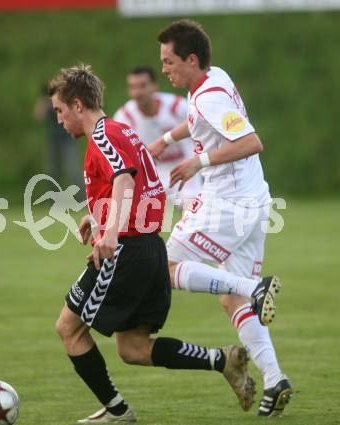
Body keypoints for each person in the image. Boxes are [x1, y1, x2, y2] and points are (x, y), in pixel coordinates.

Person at [49, 64, 255, 423]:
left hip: (125, 252)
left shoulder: (103, 135)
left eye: (59, 111)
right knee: (133, 348)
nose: (58, 119)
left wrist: (109, 233)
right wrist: (97, 216)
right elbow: (139, 185)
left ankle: (117, 412)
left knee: (68, 328)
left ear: (78, 105)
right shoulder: (122, 130)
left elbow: (125, 181)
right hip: (148, 249)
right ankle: (222, 361)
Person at [147, 20, 292, 417]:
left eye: (169, 61)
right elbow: (199, 119)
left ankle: (254, 287)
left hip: (227, 204)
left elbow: (250, 142)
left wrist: (199, 160)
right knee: (232, 300)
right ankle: (275, 378)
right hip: (253, 200)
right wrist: (168, 139)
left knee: (166, 265)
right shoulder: (213, 79)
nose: (164, 70)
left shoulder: (208, 96)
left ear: (191, 59)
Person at [113, 65, 202, 207]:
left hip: (183, 165)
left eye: (142, 86)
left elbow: (202, 124)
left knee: (191, 207)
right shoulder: (124, 117)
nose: (137, 92)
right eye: (132, 87)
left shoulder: (177, 106)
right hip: (152, 174)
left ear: (154, 86)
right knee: (133, 214)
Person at [33, 84, 83, 188]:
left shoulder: (63, 102)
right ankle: (54, 198)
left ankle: (83, 197)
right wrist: (43, 103)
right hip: (53, 139)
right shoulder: (46, 104)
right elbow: (38, 117)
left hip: (67, 138)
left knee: (73, 169)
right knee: (52, 170)